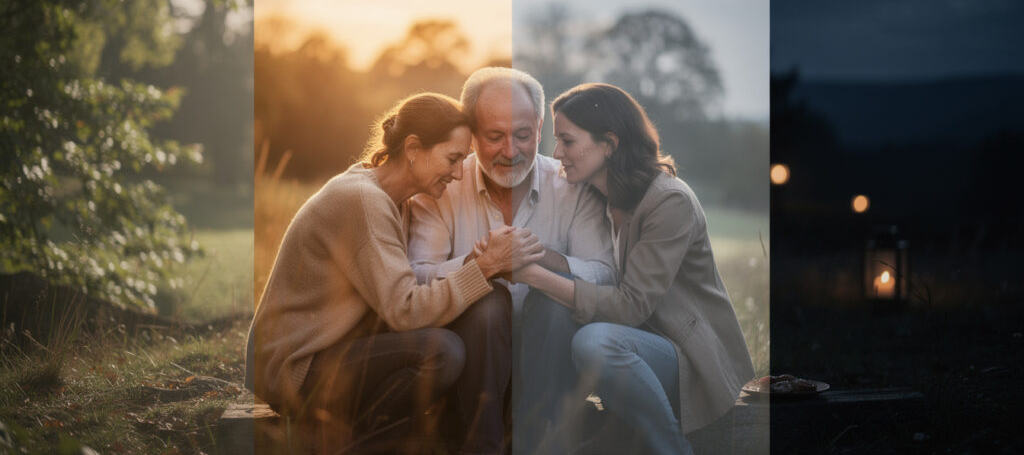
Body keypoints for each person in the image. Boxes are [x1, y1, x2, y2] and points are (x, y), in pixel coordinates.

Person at [245, 93, 513, 455]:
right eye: (453, 159)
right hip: (295, 368)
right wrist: (481, 267)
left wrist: (479, 274)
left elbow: (398, 298)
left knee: (489, 299)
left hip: (338, 348)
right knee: (441, 352)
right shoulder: (363, 201)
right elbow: (403, 311)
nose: (458, 172)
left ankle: (477, 443)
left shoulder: (393, 200)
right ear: (414, 148)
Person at [507, 83, 754, 455]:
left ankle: (672, 448)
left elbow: (630, 306)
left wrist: (533, 275)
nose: (557, 154)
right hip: (635, 347)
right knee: (556, 313)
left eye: (568, 142)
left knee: (594, 341)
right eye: (556, 141)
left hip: (688, 358)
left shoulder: (669, 201)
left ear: (609, 143)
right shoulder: (595, 192)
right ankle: (543, 439)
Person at [407, 67, 616, 315]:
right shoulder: (440, 186)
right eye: (495, 137)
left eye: (523, 135)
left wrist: (536, 255)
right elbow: (418, 277)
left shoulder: (575, 186)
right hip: (474, 339)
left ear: (539, 130)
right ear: (471, 136)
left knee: (552, 304)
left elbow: (606, 276)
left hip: (553, 337)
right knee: (486, 302)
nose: (510, 151)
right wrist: (483, 263)